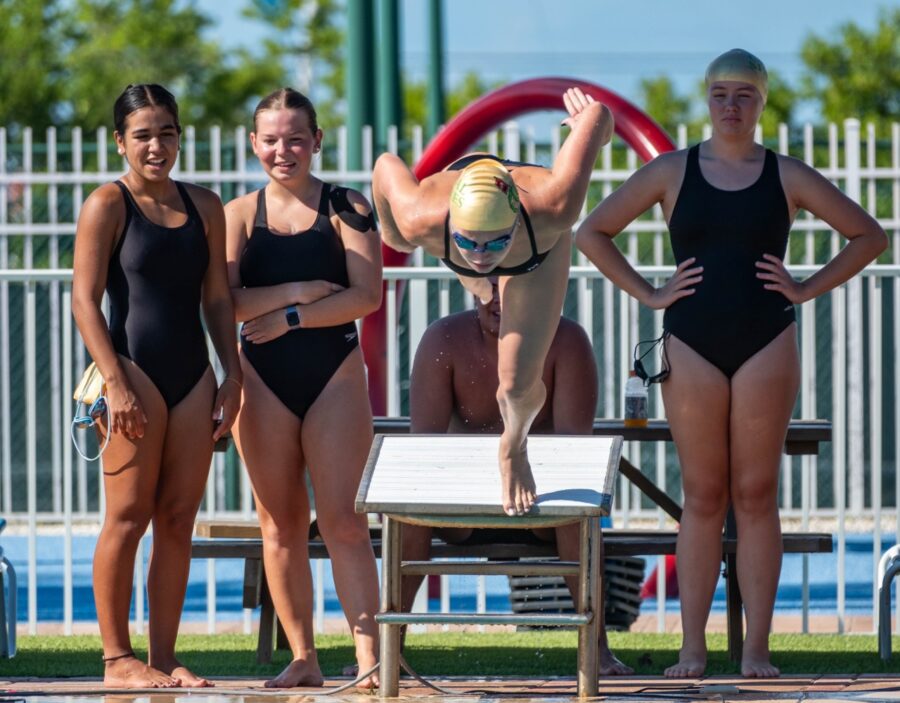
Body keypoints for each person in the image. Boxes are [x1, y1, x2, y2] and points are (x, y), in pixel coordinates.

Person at [575, 49, 887, 678]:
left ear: (761, 101)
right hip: (690, 341)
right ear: (708, 100)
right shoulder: (671, 171)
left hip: (766, 339)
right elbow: (591, 232)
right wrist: (652, 293)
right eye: (720, 94)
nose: (731, 106)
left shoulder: (787, 175)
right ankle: (692, 649)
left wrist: (804, 288)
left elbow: (869, 235)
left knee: (756, 493)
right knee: (704, 496)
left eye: (743, 94)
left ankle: (756, 652)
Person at [372, 87, 614, 517]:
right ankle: (484, 275)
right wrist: (392, 233)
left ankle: (513, 447)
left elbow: (598, 115)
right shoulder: (420, 217)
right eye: (471, 244)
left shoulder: (553, 207)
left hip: (535, 253)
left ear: (515, 222)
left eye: (494, 242)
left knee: (516, 383)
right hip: (458, 220)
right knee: (478, 273)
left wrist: (592, 128)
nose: (482, 255)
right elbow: (384, 166)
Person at [72, 84, 242, 688]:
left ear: (179, 137)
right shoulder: (107, 205)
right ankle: (117, 658)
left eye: (166, 132)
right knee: (127, 515)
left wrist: (233, 372)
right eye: (142, 134)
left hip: (193, 377)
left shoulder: (205, 205)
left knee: (176, 518)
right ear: (120, 141)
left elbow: (217, 299)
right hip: (132, 372)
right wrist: (115, 384)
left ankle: (164, 657)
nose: (155, 145)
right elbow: (84, 303)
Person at [224, 88, 382, 689]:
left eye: (295, 138)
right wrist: (305, 291)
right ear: (253, 144)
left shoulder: (347, 206)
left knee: (343, 521)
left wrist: (290, 317)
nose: (282, 150)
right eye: (270, 139)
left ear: (317, 141)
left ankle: (369, 658)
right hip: (263, 382)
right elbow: (229, 303)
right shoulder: (239, 215)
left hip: (333, 377)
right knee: (280, 524)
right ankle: (304, 657)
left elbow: (365, 296)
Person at [404, 278, 633, 676]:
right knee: (405, 509)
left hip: (543, 509)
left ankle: (596, 647)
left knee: (578, 515)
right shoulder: (444, 339)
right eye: (489, 289)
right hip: (462, 513)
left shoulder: (566, 342)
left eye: (511, 288)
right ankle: (384, 649)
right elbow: (425, 450)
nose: (498, 301)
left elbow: (573, 452)